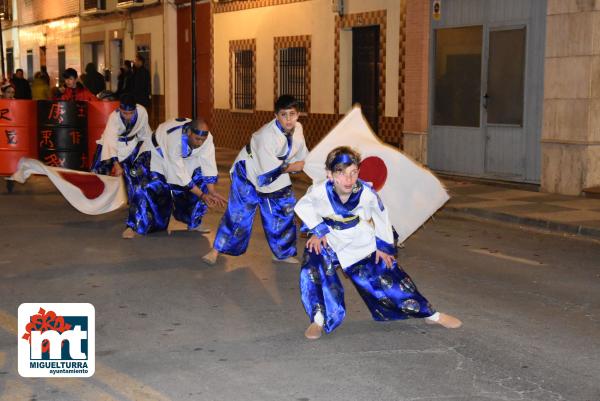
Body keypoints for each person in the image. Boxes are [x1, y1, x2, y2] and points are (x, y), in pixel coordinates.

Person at [295, 146, 462, 340]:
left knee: (388, 272)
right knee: (312, 265)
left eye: (353, 172)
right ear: (330, 175)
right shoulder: (319, 191)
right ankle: (318, 319)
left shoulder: (366, 193)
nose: (348, 179)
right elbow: (304, 206)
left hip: (359, 239)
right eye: (341, 173)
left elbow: (382, 216)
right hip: (330, 238)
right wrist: (317, 230)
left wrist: (383, 248)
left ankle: (431, 314)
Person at [202, 95, 308, 265]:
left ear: (298, 114)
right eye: (283, 114)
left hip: (275, 172)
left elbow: (303, 155)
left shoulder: (298, 128)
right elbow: (268, 170)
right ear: (276, 116)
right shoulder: (266, 135)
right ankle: (216, 250)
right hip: (248, 172)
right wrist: (293, 167)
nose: (288, 119)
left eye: (292, 114)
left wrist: (311, 167)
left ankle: (282, 252)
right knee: (240, 213)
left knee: (284, 209)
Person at [122, 117, 227, 238]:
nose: (200, 143)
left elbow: (208, 164)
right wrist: (202, 195)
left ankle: (194, 222)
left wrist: (212, 191)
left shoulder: (207, 139)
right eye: (197, 139)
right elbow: (179, 173)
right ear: (189, 132)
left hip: (183, 160)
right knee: (148, 186)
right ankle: (133, 226)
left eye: (202, 140)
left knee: (201, 180)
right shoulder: (174, 139)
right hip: (157, 155)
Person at [90, 94, 152, 200]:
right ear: (119, 109)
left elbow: (145, 134)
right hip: (112, 144)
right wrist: (116, 164)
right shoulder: (113, 117)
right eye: (124, 113)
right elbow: (110, 140)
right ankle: (97, 200)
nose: (128, 116)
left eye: (131, 113)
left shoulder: (142, 112)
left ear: (135, 108)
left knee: (134, 174)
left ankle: (134, 201)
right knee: (100, 172)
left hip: (131, 144)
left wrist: (148, 152)